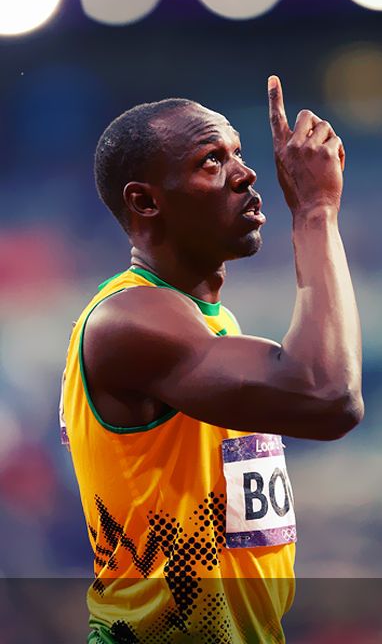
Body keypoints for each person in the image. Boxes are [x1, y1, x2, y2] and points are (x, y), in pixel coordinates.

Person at [61, 75, 363, 643]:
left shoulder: (210, 324)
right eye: (211, 161)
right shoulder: (130, 321)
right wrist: (316, 211)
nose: (247, 175)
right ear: (145, 200)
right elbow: (329, 396)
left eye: (239, 155)